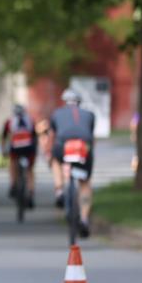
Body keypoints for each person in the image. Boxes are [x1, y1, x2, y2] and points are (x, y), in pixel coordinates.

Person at [50, 88, 96, 238]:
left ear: (65, 101)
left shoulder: (57, 114)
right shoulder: (89, 115)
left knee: (55, 160)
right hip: (83, 148)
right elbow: (90, 136)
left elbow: (53, 136)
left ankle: (59, 190)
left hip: (64, 147)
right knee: (85, 182)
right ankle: (84, 218)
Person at [1, 104, 37, 207]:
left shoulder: (9, 122)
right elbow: (35, 137)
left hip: (15, 148)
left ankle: (13, 185)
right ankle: (30, 192)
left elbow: (4, 138)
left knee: (12, 163)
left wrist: (3, 152)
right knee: (30, 170)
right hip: (29, 149)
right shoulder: (30, 120)